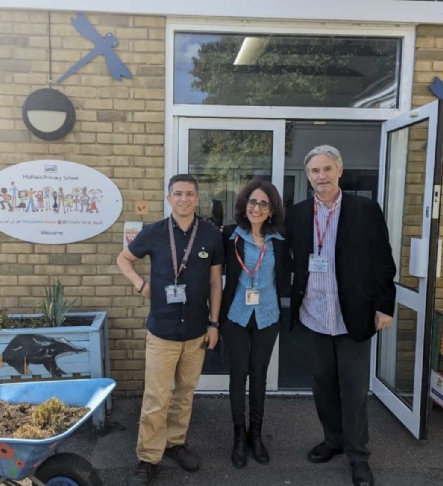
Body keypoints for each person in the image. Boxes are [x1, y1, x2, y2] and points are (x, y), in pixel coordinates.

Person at [284, 145, 396, 486]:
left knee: (354, 389)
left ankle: (358, 455)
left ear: (340, 171)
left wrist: (384, 305)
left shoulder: (365, 209)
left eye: (327, 169)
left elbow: (382, 259)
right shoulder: (298, 214)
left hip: (354, 314)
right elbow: (287, 256)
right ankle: (332, 439)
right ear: (308, 176)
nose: (321, 176)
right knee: (323, 385)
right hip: (314, 313)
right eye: (315, 171)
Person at [117, 174, 224, 486]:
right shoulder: (153, 232)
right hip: (162, 331)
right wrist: (141, 285)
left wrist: (214, 323)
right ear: (169, 199)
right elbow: (124, 259)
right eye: (178, 194)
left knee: (185, 393)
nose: (184, 199)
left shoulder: (210, 234)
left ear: (197, 198)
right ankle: (148, 457)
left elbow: (215, 282)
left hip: (196, 331)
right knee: (156, 397)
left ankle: (175, 443)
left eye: (190, 194)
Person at [220, 179, 286, 468]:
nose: (256, 208)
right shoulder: (228, 235)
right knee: (238, 374)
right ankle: (238, 436)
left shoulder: (280, 241)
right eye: (252, 202)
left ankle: (255, 436)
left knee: (259, 375)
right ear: (244, 205)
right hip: (235, 315)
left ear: (271, 210)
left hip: (267, 316)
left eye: (263, 204)